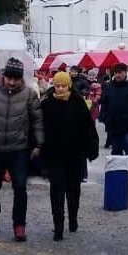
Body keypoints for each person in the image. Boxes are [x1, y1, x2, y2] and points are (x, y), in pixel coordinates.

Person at [0, 57, 44, 242]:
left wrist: (38, 144)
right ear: (3, 76)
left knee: (20, 186)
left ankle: (19, 224)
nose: (11, 82)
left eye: (16, 79)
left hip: (19, 148)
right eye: (9, 78)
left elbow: (37, 120)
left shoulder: (29, 94)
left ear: (21, 79)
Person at [41, 72, 99, 240]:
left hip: (75, 154)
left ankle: (73, 218)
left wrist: (91, 148)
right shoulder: (47, 103)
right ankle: (58, 226)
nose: (60, 89)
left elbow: (88, 127)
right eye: (57, 85)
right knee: (56, 191)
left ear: (68, 85)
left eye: (63, 85)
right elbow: (40, 127)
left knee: (74, 190)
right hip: (55, 154)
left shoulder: (78, 102)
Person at [100, 63, 128, 181]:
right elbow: (103, 103)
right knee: (116, 149)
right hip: (113, 124)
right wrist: (104, 117)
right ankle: (116, 171)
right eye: (116, 72)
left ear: (125, 72)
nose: (118, 75)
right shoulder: (109, 87)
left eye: (120, 72)